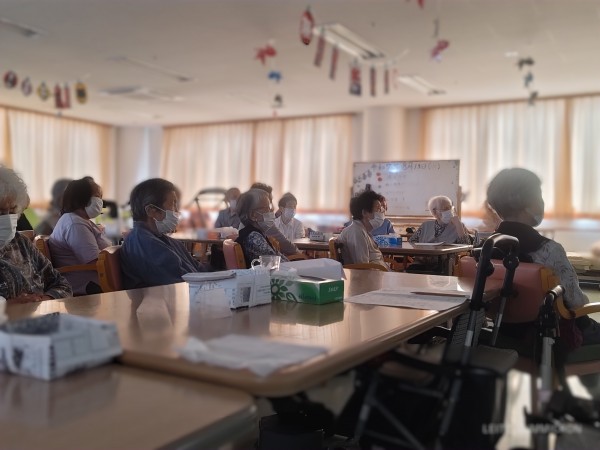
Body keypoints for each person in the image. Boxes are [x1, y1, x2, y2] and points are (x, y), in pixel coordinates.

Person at [487, 167, 600, 345]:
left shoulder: (485, 250)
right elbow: (577, 303)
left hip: (503, 330)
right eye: (539, 196)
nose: (542, 203)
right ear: (526, 205)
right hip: (553, 334)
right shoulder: (549, 250)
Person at [120, 178, 212, 289]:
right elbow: (181, 285)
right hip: (166, 298)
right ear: (151, 211)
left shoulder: (163, 240)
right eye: (173, 204)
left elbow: (199, 269)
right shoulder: (144, 243)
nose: (177, 211)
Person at [0, 166, 72, 303]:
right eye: (0, 212)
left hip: (40, 314)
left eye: (12, 211)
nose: (8, 218)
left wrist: (42, 300)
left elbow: (62, 284)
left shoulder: (21, 243)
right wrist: (9, 306)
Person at [49, 177, 112, 295]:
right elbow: (94, 261)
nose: (100, 201)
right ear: (82, 198)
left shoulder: (79, 220)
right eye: (97, 196)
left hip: (96, 279)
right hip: (88, 283)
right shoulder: (75, 224)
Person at [235, 188, 288, 268]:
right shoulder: (253, 237)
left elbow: (280, 258)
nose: (271, 211)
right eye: (267, 208)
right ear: (253, 215)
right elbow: (276, 264)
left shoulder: (257, 234)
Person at [337, 190, 387, 268]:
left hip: (379, 271)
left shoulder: (362, 230)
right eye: (378, 209)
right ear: (364, 213)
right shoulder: (356, 232)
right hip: (372, 274)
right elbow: (362, 267)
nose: (381, 212)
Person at [249, 182, 299, 255]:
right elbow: (289, 248)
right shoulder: (263, 225)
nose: (272, 208)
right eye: (268, 204)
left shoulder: (246, 226)